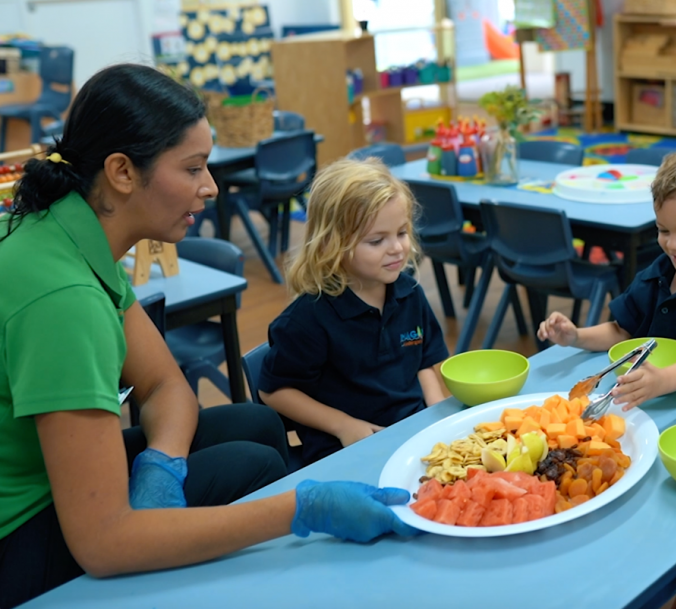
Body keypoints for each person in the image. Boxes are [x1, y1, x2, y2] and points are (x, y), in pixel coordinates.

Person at [0, 64, 415, 609]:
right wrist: (298, 509)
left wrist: (162, 463)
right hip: (16, 539)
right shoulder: (64, 299)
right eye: (193, 168)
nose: (211, 187)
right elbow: (100, 543)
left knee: (257, 421)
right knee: (260, 467)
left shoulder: (68, 230)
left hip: (47, 482)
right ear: (122, 171)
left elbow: (164, 383)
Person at [537, 141, 676, 410]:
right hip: (653, 401)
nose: (673, 245)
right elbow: (621, 331)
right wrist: (576, 337)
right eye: (663, 230)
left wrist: (662, 380)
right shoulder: (658, 273)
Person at [259, 158, 448, 464]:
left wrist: (436, 411)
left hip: (411, 435)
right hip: (345, 450)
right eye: (377, 240)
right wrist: (343, 425)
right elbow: (274, 391)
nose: (397, 248)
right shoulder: (307, 320)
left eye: (401, 233)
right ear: (331, 244)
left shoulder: (410, 293)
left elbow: (424, 361)